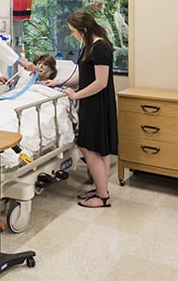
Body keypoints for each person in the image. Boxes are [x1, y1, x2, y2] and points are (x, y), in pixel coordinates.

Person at [44, 11, 118, 208]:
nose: (72, 35)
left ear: (83, 30)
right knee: (97, 149)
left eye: (73, 31)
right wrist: (58, 82)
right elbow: (86, 77)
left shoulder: (100, 48)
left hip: (97, 103)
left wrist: (75, 95)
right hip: (93, 101)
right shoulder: (91, 46)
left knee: (91, 148)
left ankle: (103, 197)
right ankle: (101, 189)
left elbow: (100, 83)